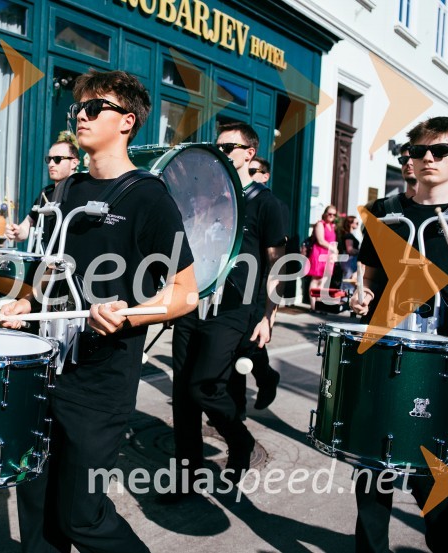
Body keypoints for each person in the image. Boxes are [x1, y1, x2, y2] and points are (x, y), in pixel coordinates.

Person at [0, 69, 198, 552]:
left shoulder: (148, 197)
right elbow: (52, 268)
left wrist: (128, 315)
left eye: (93, 108)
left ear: (127, 121)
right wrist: (23, 300)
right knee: (36, 500)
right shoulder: (68, 190)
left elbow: (185, 293)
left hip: (100, 377)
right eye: (77, 109)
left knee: (81, 516)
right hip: (44, 363)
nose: (80, 117)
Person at [351, 116, 448, 553]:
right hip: (384, 344)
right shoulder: (387, 213)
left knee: (427, 461)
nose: (427, 158)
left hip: (445, 355)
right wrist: (362, 295)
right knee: (371, 458)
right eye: (419, 151)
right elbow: (366, 275)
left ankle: (444, 542)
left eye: (439, 151)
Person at [167, 121, 288, 500]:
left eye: (228, 147)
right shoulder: (208, 196)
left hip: (235, 308)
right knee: (183, 398)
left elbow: (277, 264)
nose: (220, 152)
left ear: (249, 154)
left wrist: (269, 317)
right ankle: (185, 480)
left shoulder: (266, 203)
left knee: (204, 387)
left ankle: (240, 441)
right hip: (193, 303)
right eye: (216, 146)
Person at [229, 154, 284, 415]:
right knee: (234, 347)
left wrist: (269, 314)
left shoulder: (271, 204)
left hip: (261, 283)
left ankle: (266, 378)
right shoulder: (235, 199)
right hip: (236, 286)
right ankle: (236, 406)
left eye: (256, 171)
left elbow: (279, 259)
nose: (251, 175)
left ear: (265, 175)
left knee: (248, 344)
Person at [5, 138, 80, 248]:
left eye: (57, 159)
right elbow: (26, 227)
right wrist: (17, 231)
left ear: (74, 163)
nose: (51, 164)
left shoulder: (80, 192)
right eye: (49, 159)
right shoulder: (45, 193)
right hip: (43, 260)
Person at [307, 205, 339, 311]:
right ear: (325, 213)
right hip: (319, 254)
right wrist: (333, 249)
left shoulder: (332, 226)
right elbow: (320, 241)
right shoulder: (320, 224)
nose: (331, 216)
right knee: (316, 279)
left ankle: (319, 304)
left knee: (324, 281)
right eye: (329, 213)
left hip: (328, 256)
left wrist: (335, 251)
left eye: (334, 214)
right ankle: (313, 305)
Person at [340, 215, 360, 294]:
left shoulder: (348, 234)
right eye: (357, 223)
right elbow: (350, 250)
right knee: (349, 282)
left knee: (348, 281)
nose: (358, 225)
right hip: (350, 261)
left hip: (349, 260)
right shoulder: (348, 235)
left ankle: (345, 301)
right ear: (350, 224)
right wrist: (361, 252)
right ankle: (345, 302)